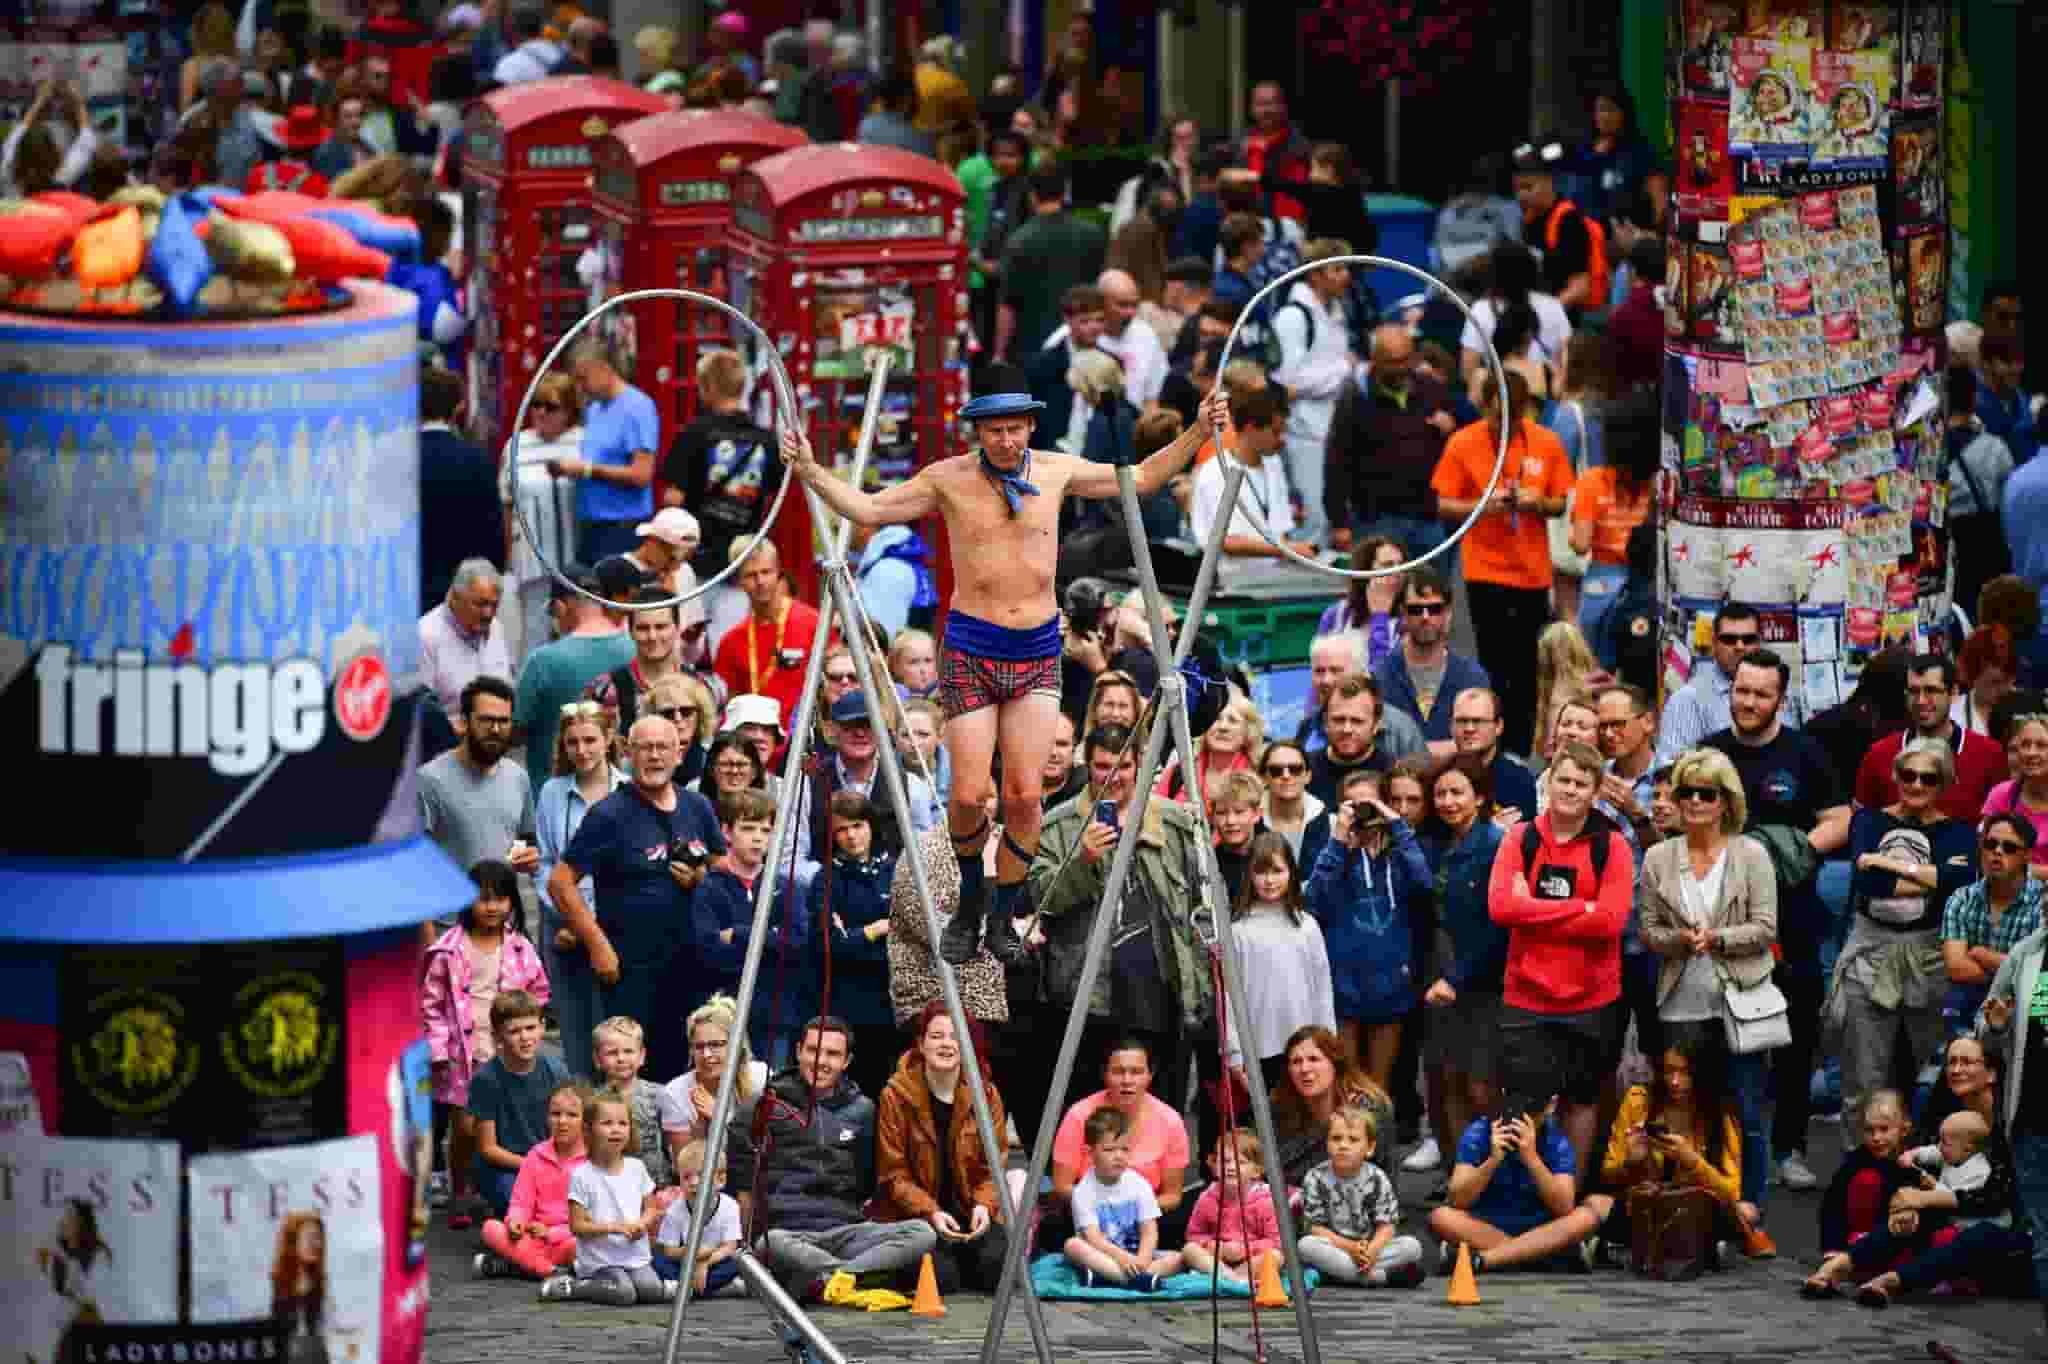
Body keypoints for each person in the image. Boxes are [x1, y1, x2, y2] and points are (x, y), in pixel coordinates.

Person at [786, 385, 1223, 970]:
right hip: (972, 644)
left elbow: (1140, 478)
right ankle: (970, 902)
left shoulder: (1057, 469)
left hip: (1038, 644)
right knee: (968, 795)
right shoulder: (949, 477)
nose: (1007, 439)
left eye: (1016, 428)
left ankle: (1001, 913)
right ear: (978, 433)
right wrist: (810, 469)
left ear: (1031, 429)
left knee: (1023, 793)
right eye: (995, 430)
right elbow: (868, 509)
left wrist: (1197, 432)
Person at [1701, 649, 1851, 1192]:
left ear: (1780, 700)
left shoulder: (1806, 754)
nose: (1749, 702)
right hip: (1720, 923)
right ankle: (1723, 1147)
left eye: (1761, 694)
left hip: (1793, 921)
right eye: (1742, 691)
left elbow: (1840, 819)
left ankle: (1789, 1147)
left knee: (1793, 1036)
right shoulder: (1711, 753)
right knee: (1720, 1038)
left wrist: (1793, 851)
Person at [1638, 747, 1778, 1245]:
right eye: (1686, 792)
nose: (1694, 801)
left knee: (1745, 1107)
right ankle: (1691, 1203)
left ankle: (1749, 1207)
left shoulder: (1752, 854)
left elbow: (1765, 928)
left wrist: (1716, 938)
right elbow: (1649, 928)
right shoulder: (1658, 856)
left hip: (1741, 999)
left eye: (1706, 793)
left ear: (1726, 802)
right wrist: (1679, 940)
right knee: (1686, 1106)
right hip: (1681, 1000)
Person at [550, 715, 724, 1081]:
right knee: (635, 1078)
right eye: (645, 748)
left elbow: (724, 874)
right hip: (632, 972)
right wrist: (596, 944)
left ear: (680, 753)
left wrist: (702, 878)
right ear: (628, 752)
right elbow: (560, 883)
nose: (655, 756)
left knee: (693, 1073)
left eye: (663, 747)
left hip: (693, 965)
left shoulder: (699, 806)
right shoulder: (609, 814)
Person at [1803, 1036, 2027, 1307]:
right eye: (1951, 1062)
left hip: (2012, 1236)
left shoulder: (2009, 1119)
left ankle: (1893, 1280)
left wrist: (1926, 1198)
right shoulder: (1947, 1109)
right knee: (1910, 1214)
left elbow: (1996, 1197)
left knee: (1977, 1234)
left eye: (1966, 1062)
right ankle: (1842, 1264)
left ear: (1991, 1073)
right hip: (1951, 1212)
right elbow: (1920, 1163)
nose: (1956, 1070)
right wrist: (1914, 1201)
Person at [736, 1017, 939, 1296]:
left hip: (847, 1231)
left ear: (847, 1061)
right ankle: (855, 1275)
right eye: (813, 1050)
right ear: (798, 1052)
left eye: (832, 1054)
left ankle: (834, 1278)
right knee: (772, 1245)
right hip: (788, 1235)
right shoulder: (764, 1106)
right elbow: (741, 1183)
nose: (821, 1061)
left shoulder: (863, 1110)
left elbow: (869, 1180)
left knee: (922, 1233)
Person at [1837, 738, 1978, 1128]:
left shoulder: (1960, 833)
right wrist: (1934, 878)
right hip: (1871, 949)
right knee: (1863, 1076)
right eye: (1908, 775)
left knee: (1929, 1075)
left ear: (1944, 783)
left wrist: (1889, 864)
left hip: (1929, 952)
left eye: (1928, 778)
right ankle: (1859, 1168)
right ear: (1896, 776)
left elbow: (1961, 881)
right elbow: (1870, 885)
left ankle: (1921, 1163)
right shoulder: (1868, 821)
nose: (1916, 785)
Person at [1432, 371, 1573, 756]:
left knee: (1529, 667)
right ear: (1485, 407)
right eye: (1495, 416)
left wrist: (1534, 503)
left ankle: (1519, 747)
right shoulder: (1464, 443)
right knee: (1493, 663)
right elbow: (1443, 503)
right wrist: (1482, 507)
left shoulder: (1546, 443)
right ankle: (1492, 743)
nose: (1502, 425)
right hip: (1485, 571)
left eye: (1510, 416)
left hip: (1532, 572)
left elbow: (1561, 502)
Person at [425, 863, 552, 1223]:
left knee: (500, 1122)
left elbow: (539, 990)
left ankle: (494, 1186)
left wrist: (528, 1028)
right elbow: (430, 1003)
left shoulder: (519, 949)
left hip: (506, 1054)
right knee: (464, 1128)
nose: (492, 907)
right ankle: (460, 1192)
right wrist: (438, 1049)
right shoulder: (449, 950)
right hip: (461, 1054)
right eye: (483, 900)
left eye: (501, 899)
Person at [872, 1001, 1012, 1295]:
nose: (947, 1044)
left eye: (956, 1036)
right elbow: (894, 1175)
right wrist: (931, 1212)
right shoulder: (894, 1095)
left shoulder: (987, 1095)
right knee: (940, 1279)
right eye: (937, 1036)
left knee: (998, 1271)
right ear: (921, 1044)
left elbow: (994, 1167)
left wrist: (985, 1206)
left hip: (968, 1212)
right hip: (915, 1218)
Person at [1582, 1040, 1746, 1270]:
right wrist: (1631, 1163)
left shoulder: (1719, 1113)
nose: (1676, 1082)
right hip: (1645, 1209)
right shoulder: (1639, 1101)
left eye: (1686, 1073)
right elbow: (1608, 1173)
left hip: (1695, 1210)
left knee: (1747, 1211)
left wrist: (1692, 1161)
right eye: (1669, 1071)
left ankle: (1652, 1249)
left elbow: (1731, 1192)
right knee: (1595, 1203)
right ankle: (1695, 1250)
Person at [1307, 778, 1425, 1088]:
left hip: (1391, 982)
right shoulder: (1335, 851)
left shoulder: (1400, 853)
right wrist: (1338, 840)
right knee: (1344, 1081)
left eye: (1369, 804)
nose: (1363, 812)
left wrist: (1396, 824)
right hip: (1344, 984)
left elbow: (1424, 884)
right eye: (1354, 804)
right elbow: (1312, 899)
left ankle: (1378, 1136)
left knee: (1379, 1084)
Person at [1426, 1080, 1600, 1273]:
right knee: (1441, 1216)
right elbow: (1458, 1199)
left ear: (1551, 1105)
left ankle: (1486, 1259)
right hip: (1488, 1224)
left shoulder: (1556, 1140)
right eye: (1518, 1109)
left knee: (1586, 1217)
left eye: (1533, 1112)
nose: (1524, 1119)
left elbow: (1564, 1206)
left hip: (1541, 1227)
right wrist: (1492, 1160)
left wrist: (1532, 1158)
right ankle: (1545, 1257)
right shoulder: (1479, 1132)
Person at [1326, 327, 1461, 560]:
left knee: (1434, 592)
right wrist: (1338, 522)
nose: (1401, 368)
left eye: (1405, 360)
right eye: (1392, 362)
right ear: (1375, 361)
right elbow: (1337, 461)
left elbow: (1462, 446)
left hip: (1427, 517)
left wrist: (1451, 432)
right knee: (1379, 592)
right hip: (1376, 521)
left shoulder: (1432, 389)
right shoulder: (1355, 399)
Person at [1978, 936, 2048, 1335]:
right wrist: (1995, 1024)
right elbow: (1986, 1024)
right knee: (2044, 1239)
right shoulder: (2026, 954)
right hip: (2034, 1118)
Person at [540, 1089, 671, 1304]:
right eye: (607, 1123)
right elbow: (577, 1226)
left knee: (651, 1290)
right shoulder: (582, 1175)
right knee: (623, 1293)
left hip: (634, 1257)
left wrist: (642, 1224)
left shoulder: (636, 1168)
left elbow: (651, 1208)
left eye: (622, 1123)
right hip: (601, 1261)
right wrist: (614, 1228)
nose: (616, 1130)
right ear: (588, 1130)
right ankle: (575, 1286)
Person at [418, 677, 537, 912]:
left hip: (503, 928)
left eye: (503, 721)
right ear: (463, 722)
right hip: (450, 928)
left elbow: (523, 837)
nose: (495, 729)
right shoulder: (429, 780)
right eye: (486, 720)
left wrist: (525, 855)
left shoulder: (518, 777)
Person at [1231, 833, 1337, 1091]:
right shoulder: (1237, 931)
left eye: (1277, 871)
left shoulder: (1306, 926)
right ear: (1250, 876)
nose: (1269, 880)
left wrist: (1328, 1041)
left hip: (1305, 1049)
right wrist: (1234, 1052)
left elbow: (1322, 989)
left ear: (1291, 872)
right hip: (1257, 1049)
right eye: (1261, 872)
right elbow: (1228, 997)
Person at [1270, 238, 1355, 547]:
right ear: (1315, 275)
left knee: (1335, 514)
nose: (1345, 275)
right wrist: (1343, 374)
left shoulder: (1337, 312)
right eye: (1337, 269)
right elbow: (1287, 382)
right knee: (1314, 515)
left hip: (1334, 427)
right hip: (1305, 432)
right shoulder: (1293, 318)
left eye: (1346, 269)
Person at [513, 573, 634, 788]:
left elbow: (516, 729)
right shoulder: (635, 648)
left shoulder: (543, 661)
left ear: (559, 607)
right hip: (619, 792)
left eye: (552, 613)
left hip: (552, 796)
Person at [1856, 654, 2009, 820]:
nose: (1921, 701)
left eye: (1931, 690)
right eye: (1914, 691)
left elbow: (2001, 826)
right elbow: (1862, 822)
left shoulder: (1989, 754)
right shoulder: (1879, 754)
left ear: (1953, 692)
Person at [467, 991, 572, 1232]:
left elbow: (570, 1126)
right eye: (514, 1031)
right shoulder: (487, 1079)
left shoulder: (556, 1070)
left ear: (542, 1027)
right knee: (523, 1210)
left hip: (551, 1160)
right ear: (498, 1036)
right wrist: (534, 1165)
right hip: (506, 1167)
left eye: (530, 1027)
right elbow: (487, 1148)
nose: (525, 1037)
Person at [499, 372, 583, 667]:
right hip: (531, 558)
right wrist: (509, 559)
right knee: (533, 637)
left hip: (575, 558)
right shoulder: (516, 445)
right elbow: (507, 503)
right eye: (536, 405)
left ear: (570, 410)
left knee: (576, 633)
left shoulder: (583, 442)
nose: (541, 413)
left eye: (551, 406)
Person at [1569, 388, 1659, 663]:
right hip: (1645, 582)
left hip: (1602, 580)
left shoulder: (1592, 481)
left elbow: (1581, 544)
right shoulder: (1657, 484)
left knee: (1594, 662)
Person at [1297, 1103, 1428, 1287]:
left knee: (1412, 1247)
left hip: (1370, 1250)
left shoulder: (1377, 1178)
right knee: (1306, 1246)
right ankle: (1379, 1278)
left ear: (1370, 1147)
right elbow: (1315, 1228)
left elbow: (1387, 1226)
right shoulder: (1315, 1177)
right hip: (1337, 1248)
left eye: (1353, 1140)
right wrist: (1350, 1248)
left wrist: (1372, 1251)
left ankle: (1343, 1275)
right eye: (1336, 1138)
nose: (1343, 1145)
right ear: (1327, 1143)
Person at [552, 344, 659, 564]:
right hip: (591, 526)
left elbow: (642, 474)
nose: (581, 388)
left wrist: (588, 470)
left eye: (584, 378)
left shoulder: (638, 407)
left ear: (604, 368)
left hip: (622, 528)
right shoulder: (594, 409)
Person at [1941, 814, 2044, 1034]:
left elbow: (2039, 977)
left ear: (2026, 855)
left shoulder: (2042, 904)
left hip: (2024, 1012)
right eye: (1990, 844)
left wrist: (1983, 956)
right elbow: (1956, 968)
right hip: (1968, 1004)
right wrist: (2013, 973)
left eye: (2009, 847)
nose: (1997, 852)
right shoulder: (1961, 899)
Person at [1063, 1105, 1185, 1290]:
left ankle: (1108, 1278)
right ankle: (1137, 1280)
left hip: (1136, 1255)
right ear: (1090, 1153)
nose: (1119, 1156)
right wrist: (1122, 1258)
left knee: (1180, 1258)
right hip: (1103, 1255)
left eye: (1125, 1149)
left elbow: (1149, 1230)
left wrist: (1142, 1259)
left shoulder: (1139, 1184)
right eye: (1110, 1150)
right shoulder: (1083, 1191)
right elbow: (1094, 1238)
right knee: (1072, 1246)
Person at [1190, 385, 1316, 563]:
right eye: (1275, 431)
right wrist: (1289, 550)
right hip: (1230, 580)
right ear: (1250, 429)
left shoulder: (1273, 463)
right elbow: (1227, 542)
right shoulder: (1216, 472)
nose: (1282, 439)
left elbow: (1280, 529)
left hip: (1273, 575)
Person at [710, 540, 826, 730]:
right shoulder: (731, 642)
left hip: (805, 738)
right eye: (751, 575)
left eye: (766, 572)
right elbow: (732, 707)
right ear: (738, 580)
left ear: (779, 572)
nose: (760, 581)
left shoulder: (814, 623)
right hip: (756, 743)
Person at [996, 170, 1109, 363]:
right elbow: (1103, 287)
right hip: (1083, 339)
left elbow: (1008, 306)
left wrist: (999, 353)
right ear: (1064, 192)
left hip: (1033, 346)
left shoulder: (1019, 241)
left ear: (1032, 195)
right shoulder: (1092, 233)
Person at [1373, 570, 1490, 756]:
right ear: (1402, 614)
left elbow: (1482, 748)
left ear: (1448, 613)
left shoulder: (1472, 677)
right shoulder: (1379, 677)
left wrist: (1410, 752)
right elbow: (1377, 752)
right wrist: (1454, 748)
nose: (1426, 617)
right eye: (1416, 610)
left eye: (1435, 609)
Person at [476, 1082, 586, 1281]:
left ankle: (520, 1266)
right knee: (490, 1228)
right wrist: (516, 1221)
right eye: (555, 1114)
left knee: (585, 1245)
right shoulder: (535, 1155)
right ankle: (549, 1270)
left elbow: (590, 1218)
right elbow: (521, 1202)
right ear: (547, 1118)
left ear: (585, 1122)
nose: (562, 1121)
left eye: (572, 1115)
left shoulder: (591, 1161)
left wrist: (552, 1233)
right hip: (533, 1238)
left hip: (568, 1238)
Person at [1268, 1025, 1395, 1191]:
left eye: (1314, 1059)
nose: (1304, 1069)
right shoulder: (1280, 1105)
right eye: (1296, 1062)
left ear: (1335, 1063)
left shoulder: (1367, 1107)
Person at [1812, 1090, 1919, 1265]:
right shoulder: (1857, 1160)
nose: (1876, 1138)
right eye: (1869, 1130)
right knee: (1866, 1180)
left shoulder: (1916, 1158)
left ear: (1904, 1129)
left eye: (1884, 1129)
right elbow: (1833, 1205)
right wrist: (1832, 1247)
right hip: (1861, 1234)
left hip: (1902, 1236)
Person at [420, 561, 512, 742]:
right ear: (454, 597)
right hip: (447, 754)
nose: (488, 613)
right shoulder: (426, 636)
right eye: (480, 604)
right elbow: (421, 713)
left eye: (494, 605)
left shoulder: (496, 628)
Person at [1180, 1130, 1284, 1288]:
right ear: (1215, 1166)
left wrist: (1245, 1250)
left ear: (1256, 1171)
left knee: (1276, 1256)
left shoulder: (1266, 1200)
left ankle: (1238, 1278)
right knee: (1189, 1250)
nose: (1231, 1167)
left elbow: (1277, 1241)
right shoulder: (1207, 1198)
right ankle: (1230, 1279)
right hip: (1218, 1259)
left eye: (1240, 1162)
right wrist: (1213, 1246)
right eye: (1225, 1161)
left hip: (1251, 1259)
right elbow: (1193, 1235)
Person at [1512, 140, 1603, 313]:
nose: (1521, 195)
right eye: (1517, 189)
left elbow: (1580, 287)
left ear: (1548, 182)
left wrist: (1545, 316)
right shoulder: (1528, 221)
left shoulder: (1568, 221)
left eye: (1528, 187)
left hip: (1570, 315)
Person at [592, 1017, 673, 1196]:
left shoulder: (660, 1095)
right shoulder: (592, 1101)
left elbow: (671, 1146)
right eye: (612, 1053)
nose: (621, 1058)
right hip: (608, 1188)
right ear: (597, 1059)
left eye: (628, 1051)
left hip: (656, 1188)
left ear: (642, 1056)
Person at [652, 1139, 741, 1294]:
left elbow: (729, 1247)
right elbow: (670, 1251)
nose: (693, 1183)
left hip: (715, 1260)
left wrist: (705, 1262)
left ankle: (685, 1288)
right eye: (686, 1177)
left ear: (721, 1180)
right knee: (657, 1260)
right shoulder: (675, 1209)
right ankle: (710, 1289)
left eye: (701, 1175)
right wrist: (691, 1255)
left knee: (737, 1261)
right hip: (685, 1260)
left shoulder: (730, 1206)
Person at [1448, 687, 1539, 822]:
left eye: (1478, 721)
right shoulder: (1439, 777)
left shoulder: (1519, 781)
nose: (1469, 728)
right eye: (1461, 721)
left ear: (1498, 726)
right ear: (1451, 725)